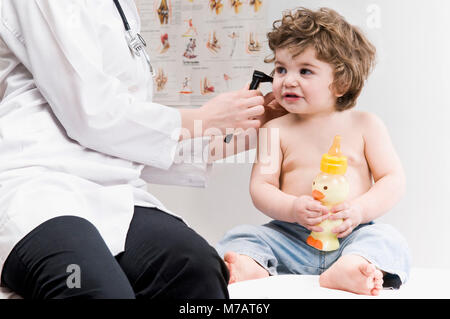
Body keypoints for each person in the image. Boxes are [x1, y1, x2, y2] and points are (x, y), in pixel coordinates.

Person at [0, 0, 284, 299]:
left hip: (114, 192)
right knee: (96, 290)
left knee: (196, 268)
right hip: (39, 190)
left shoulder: (123, 8)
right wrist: (206, 118)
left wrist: (255, 127)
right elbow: (91, 113)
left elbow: (132, 139)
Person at [216, 7, 411, 296]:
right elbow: (261, 187)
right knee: (243, 236)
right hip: (290, 238)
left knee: (387, 239)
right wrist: (292, 209)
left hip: (350, 235)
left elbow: (392, 180)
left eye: (305, 70)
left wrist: (359, 211)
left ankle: (352, 267)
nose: (288, 80)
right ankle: (249, 264)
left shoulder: (366, 125)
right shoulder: (275, 129)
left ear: (342, 83)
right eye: (281, 69)